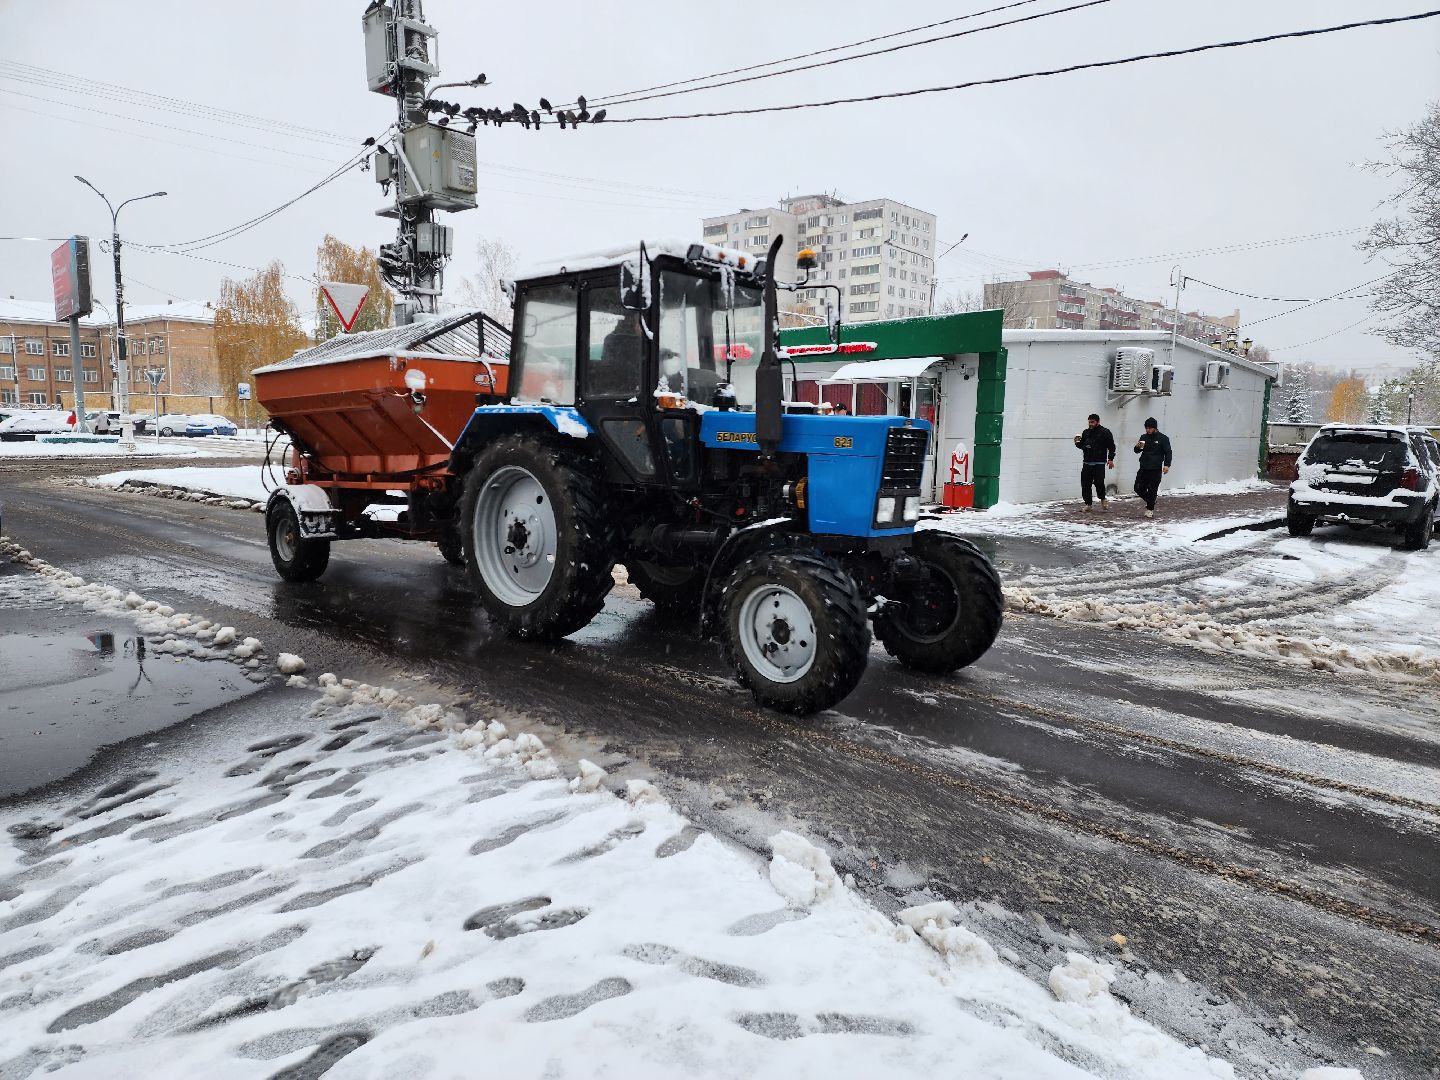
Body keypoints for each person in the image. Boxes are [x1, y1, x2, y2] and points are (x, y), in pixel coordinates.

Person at [1073, 412, 1115, 511]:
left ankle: (1103, 498)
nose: (1090, 424)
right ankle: (1088, 504)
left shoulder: (1105, 432)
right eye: (1089, 422)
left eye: (1092, 422)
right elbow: (1083, 446)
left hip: (1099, 463)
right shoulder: (1086, 432)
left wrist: (1110, 459)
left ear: (1098, 422)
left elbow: (1111, 446)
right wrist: (1077, 443)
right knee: (1085, 484)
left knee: (1099, 483)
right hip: (1087, 463)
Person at [1133, 416, 1173, 518]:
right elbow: (1138, 451)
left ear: (1155, 428)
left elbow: (1168, 452)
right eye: (1146, 428)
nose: (1148, 430)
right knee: (1138, 488)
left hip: (1155, 469)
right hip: (1143, 467)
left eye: (1150, 428)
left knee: (1152, 490)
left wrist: (1167, 465)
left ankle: (1150, 509)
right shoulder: (1144, 437)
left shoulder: (1163, 438)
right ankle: (1151, 500)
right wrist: (1137, 447)